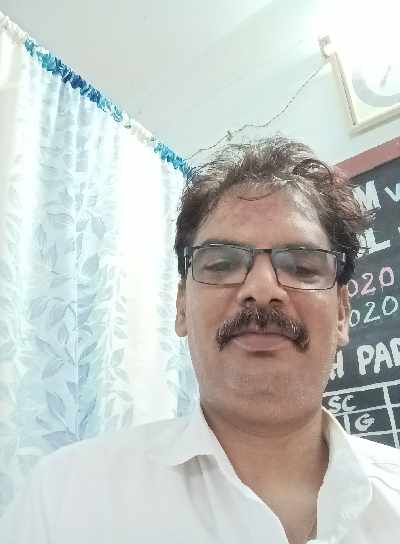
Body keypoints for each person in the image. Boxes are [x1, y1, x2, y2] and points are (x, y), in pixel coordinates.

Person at [1, 136, 399, 544]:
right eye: (223, 264)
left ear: (342, 313)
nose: (262, 288)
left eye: (301, 267)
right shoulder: (64, 501)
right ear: (181, 308)